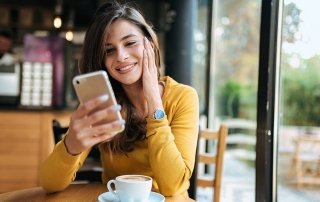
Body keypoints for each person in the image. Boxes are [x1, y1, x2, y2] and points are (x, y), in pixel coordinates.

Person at [40, 1, 199, 197]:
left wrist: (154, 103)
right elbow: (49, 183)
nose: (121, 56)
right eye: (109, 50)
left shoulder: (182, 97)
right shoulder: (104, 102)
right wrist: (72, 144)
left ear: (149, 43)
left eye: (130, 43)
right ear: (101, 60)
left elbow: (172, 186)